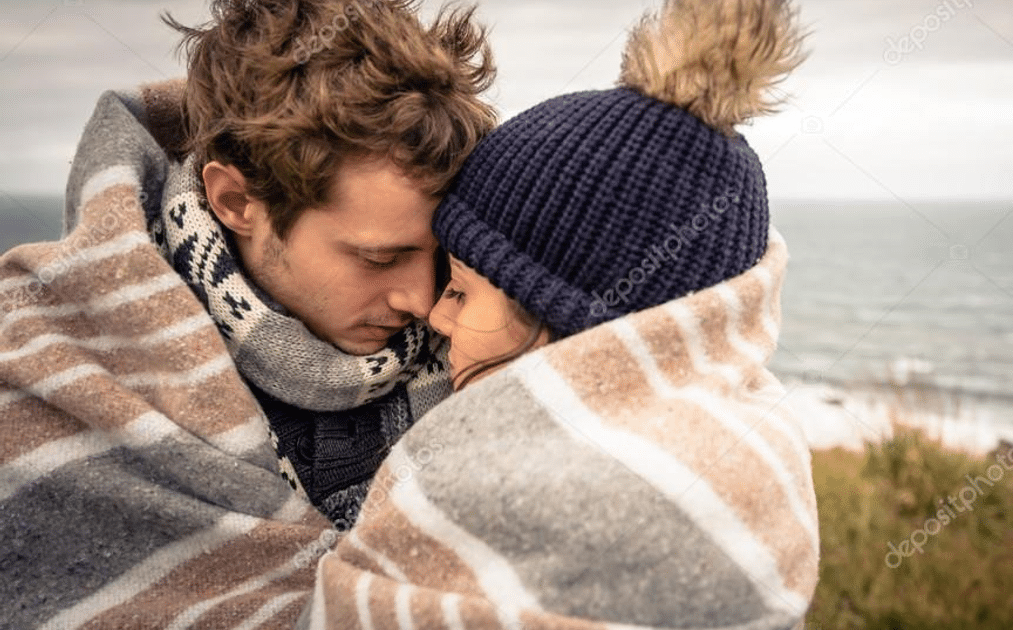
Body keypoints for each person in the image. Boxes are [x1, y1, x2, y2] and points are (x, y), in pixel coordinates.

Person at [305, 0, 820, 627]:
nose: (435, 317)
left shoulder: (499, 500)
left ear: (579, 340)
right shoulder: (754, 456)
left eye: (460, 291)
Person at [0, 0, 493, 627]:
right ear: (235, 202)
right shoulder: (42, 365)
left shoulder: (491, 338)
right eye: (379, 258)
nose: (424, 303)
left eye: (443, 257)